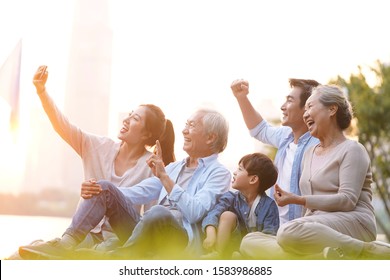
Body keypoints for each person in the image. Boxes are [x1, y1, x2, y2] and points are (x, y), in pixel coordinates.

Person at [19, 108, 231, 260]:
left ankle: (118, 256)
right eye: (186, 125)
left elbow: (195, 212)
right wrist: (100, 193)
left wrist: (165, 177)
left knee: (158, 212)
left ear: (211, 137)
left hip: (178, 237)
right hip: (145, 229)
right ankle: (65, 244)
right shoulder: (176, 167)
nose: (185, 130)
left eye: (192, 126)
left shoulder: (219, 174)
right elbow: (137, 192)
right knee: (106, 187)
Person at [29, 65, 175, 251]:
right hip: (87, 234)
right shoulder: (98, 147)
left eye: (135, 119)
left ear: (146, 134)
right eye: (129, 115)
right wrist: (42, 92)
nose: (126, 120)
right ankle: (58, 246)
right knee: (26, 254)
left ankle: (69, 246)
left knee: (104, 190)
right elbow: (62, 126)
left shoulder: (152, 167)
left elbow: (150, 218)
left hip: (122, 236)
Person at [239, 84, 390, 260]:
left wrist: (298, 199)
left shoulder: (352, 149)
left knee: (288, 232)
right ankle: (322, 255)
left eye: (310, 106)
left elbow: (347, 201)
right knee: (249, 240)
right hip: (315, 225)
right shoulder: (310, 153)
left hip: (354, 222)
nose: (305, 114)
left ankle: (365, 250)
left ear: (332, 109)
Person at [230, 78, 320, 225]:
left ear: (308, 108)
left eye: (290, 101)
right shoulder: (285, 135)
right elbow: (260, 129)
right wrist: (242, 97)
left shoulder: (318, 145)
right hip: (275, 226)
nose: (282, 107)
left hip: (301, 228)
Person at [201, 152, 279, 259]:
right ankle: (218, 254)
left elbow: (269, 236)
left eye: (240, 169)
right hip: (232, 248)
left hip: (254, 252)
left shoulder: (269, 205)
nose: (234, 172)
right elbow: (214, 213)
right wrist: (210, 233)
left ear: (253, 179)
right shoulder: (230, 198)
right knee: (227, 215)